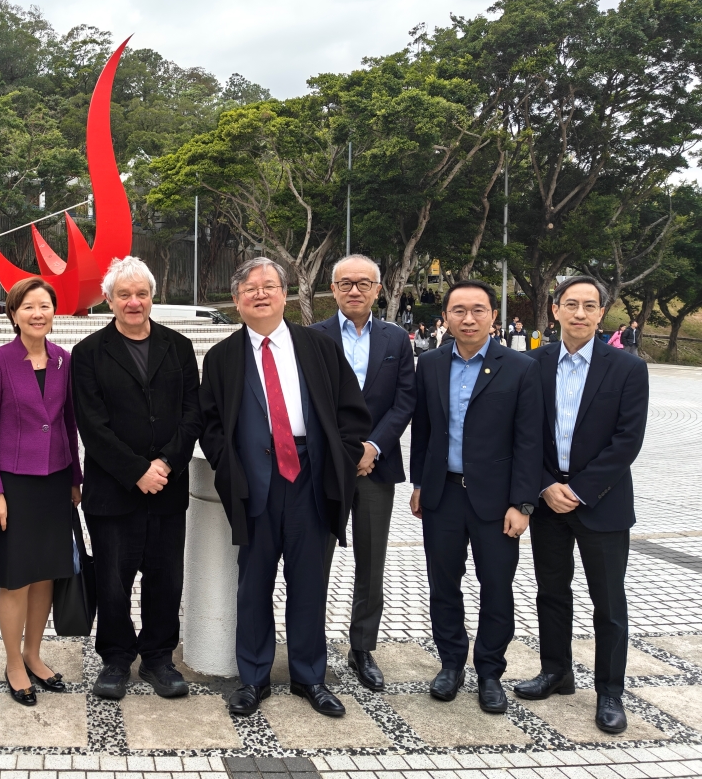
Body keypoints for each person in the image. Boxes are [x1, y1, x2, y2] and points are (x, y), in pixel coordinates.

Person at [200, 257, 371, 718]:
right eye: (250, 288)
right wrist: (229, 468)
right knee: (253, 584)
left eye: (269, 286)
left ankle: (309, 676)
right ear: (236, 301)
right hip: (254, 483)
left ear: (284, 294)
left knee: (309, 583)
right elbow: (211, 424)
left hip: (310, 479)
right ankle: (253, 678)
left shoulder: (318, 347)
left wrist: (342, 456)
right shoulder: (222, 358)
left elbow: (351, 410)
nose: (260, 294)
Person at [514, 277, 649, 734]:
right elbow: (523, 434)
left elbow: (627, 441)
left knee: (608, 602)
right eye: (571, 304)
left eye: (590, 306)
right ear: (555, 310)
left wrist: (581, 490)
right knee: (552, 592)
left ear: (601, 314)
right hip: (548, 501)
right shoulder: (532, 364)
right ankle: (556, 672)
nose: (579, 313)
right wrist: (546, 486)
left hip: (602, 504)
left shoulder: (627, 368)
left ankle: (609, 691)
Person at [72, 256, 204, 701]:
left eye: (141, 294)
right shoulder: (89, 353)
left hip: (167, 487)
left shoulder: (178, 346)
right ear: (108, 300)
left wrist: (164, 464)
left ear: (152, 297)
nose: (134, 302)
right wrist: (136, 471)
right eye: (124, 294)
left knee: (165, 579)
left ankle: (158, 658)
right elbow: (92, 426)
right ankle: (115, 658)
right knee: (112, 579)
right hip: (113, 491)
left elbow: (192, 413)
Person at [409, 280, 542, 714]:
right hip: (442, 494)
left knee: (497, 587)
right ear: (445, 316)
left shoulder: (520, 367)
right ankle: (451, 664)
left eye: (478, 310)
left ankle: (489, 671)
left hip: (497, 502)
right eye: (459, 310)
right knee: (443, 584)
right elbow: (423, 429)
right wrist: (419, 484)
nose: (469, 319)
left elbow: (529, 442)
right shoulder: (430, 363)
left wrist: (523, 503)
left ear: (493, 316)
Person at [0, 277, 83, 707]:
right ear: (14, 314)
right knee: (17, 579)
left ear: (54, 313)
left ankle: (33, 654)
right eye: (28, 307)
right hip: (13, 485)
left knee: (46, 576)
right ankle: (13, 663)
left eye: (45, 306)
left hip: (55, 482)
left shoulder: (63, 360)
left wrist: (75, 479)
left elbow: (69, 424)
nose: (38, 314)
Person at [312, 255, 415, 692]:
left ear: (378, 289)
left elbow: (405, 400)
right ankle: (310, 645)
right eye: (345, 283)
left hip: (377, 466)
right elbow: (308, 401)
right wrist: (342, 450)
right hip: (324, 467)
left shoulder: (396, 339)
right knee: (314, 559)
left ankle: (362, 647)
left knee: (372, 560)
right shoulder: (312, 337)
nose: (354, 290)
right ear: (333, 289)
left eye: (363, 283)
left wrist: (373, 447)